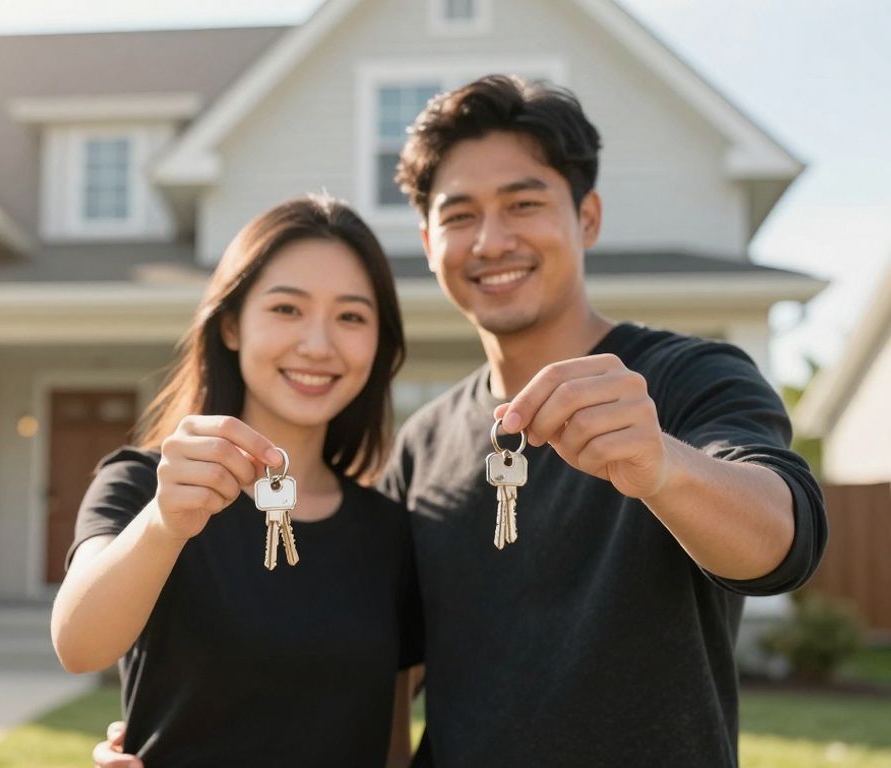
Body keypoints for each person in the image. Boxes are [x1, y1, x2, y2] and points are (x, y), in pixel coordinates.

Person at [94, 75, 826, 767]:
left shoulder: (684, 379)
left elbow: (781, 540)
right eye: (460, 215)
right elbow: (358, 669)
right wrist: (173, 732)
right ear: (428, 242)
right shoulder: (424, 443)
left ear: (588, 218)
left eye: (524, 203)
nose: (490, 240)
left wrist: (665, 467)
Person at [51, 195, 424, 767]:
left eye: (351, 316)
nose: (318, 345)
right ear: (231, 325)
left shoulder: (390, 530)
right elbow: (79, 646)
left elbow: (391, 745)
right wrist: (165, 522)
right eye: (287, 309)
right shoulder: (145, 484)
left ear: (379, 346)